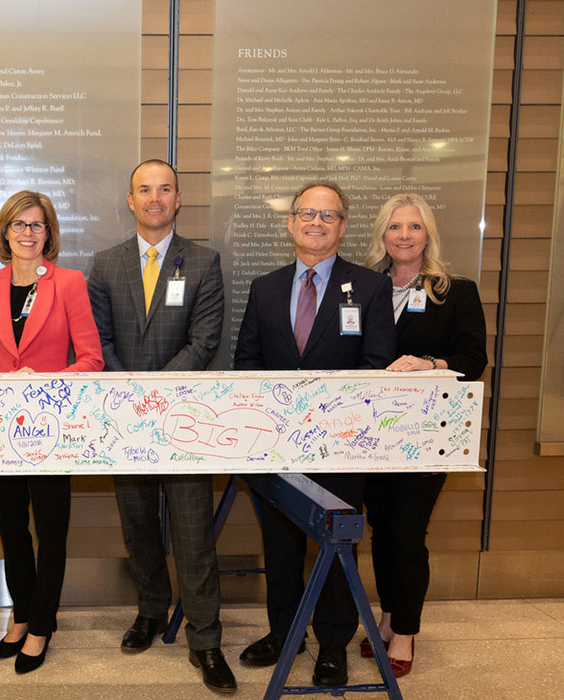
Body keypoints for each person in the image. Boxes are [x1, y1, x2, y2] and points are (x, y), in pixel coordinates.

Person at [233, 180, 396, 687]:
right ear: (291, 223)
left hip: (342, 448)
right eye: (307, 213)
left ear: (343, 226)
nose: (316, 223)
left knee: (336, 547)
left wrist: (327, 424)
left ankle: (331, 644)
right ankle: (284, 634)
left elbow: (377, 367)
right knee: (280, 548)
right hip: (277, 449)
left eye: (328, 216)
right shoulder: (265, 287)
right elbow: (247, 365)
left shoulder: (368, 287)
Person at [87, 159, 235, 693]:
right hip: (125, 420)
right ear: (130, 200)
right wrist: (130, 391)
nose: (154, 198)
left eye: (164, 189)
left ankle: (206, 640)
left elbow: (205, 340)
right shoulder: (104, 264)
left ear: (179, 199)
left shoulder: (204, 261)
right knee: (139, 526)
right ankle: (150, 610)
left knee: (194, 536)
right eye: (144, 190)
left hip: (183, 420)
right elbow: (98, 340)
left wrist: (154, 392)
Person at [0, 190, 104, 674]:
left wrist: (43, 381)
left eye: (37, 225)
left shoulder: (69, 283)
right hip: (0, 431)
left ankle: (43, 624)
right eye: (19, 225)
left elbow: (91, 361)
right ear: (4, 231)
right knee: (11, 529)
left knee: (51, 530)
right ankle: (21, 614)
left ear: (49, 233)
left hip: (51, 428)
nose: (28, 233)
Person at [361, 193, 487, 677]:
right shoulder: (363, 287)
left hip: (424, 435)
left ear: (428, 234)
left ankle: (406, 631)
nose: (405, 235)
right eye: (395, 227)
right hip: (371, 437)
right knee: (382, 530)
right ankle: (389, 616)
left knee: (409, 534)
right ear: (383, 235)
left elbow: (473, 360)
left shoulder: (454, 291)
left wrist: (430, 364)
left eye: (414, 226)